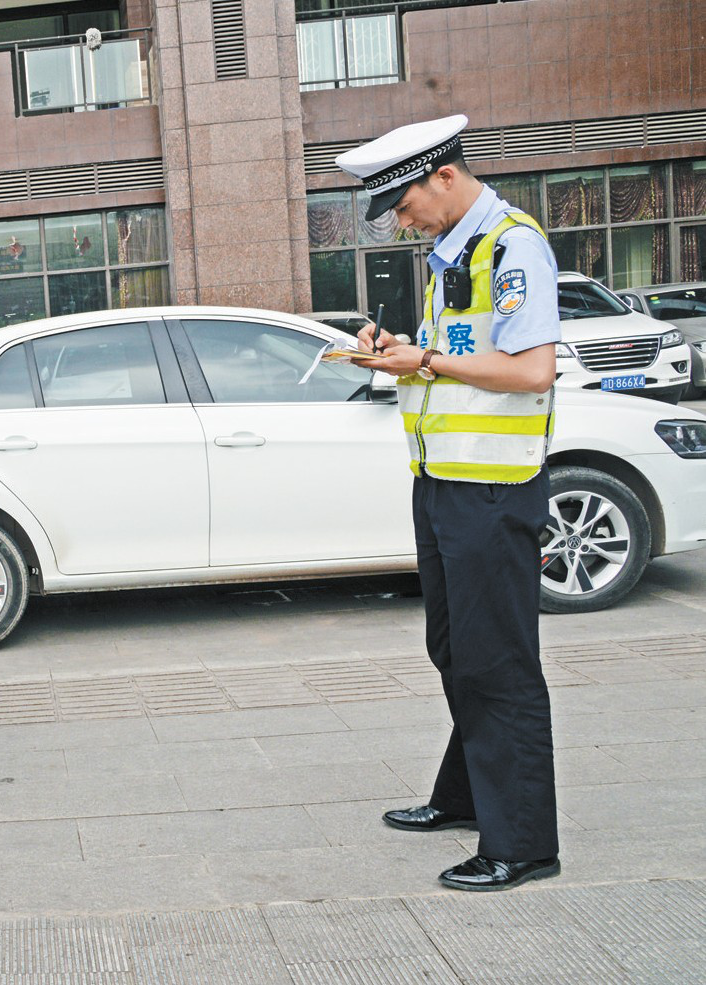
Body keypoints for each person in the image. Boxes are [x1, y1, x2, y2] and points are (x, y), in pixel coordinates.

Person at [335, 114, 562, 891]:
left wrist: (426, 357)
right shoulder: (451, 254)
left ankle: (523, 840)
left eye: (402, 205)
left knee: (498, 662)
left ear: (444, 177)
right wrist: (400, 354)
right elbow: (464, 357)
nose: (401, 221)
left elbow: (533, 370)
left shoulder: (512, 245)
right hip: (443, 481)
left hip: (493, 488)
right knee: (455, 650)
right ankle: (465, 796)